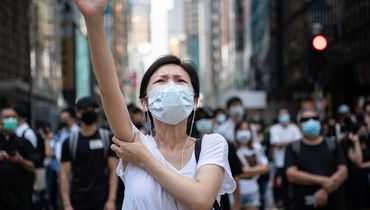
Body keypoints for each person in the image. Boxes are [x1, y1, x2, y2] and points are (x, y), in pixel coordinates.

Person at [73, 1, 235, 210]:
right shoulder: (133, 141)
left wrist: (144, 159)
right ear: (145, 102)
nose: (170, 86)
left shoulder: (211, 145)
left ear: (195, 101)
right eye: (160, 81)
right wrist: (94, 21)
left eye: (180, 81)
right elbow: (108, 88)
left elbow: (200, 199)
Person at [60, 96, 118, 210]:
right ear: (78, 113)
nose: (90, 112)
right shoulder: (69, 142)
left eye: (93, 109)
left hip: (102, 201)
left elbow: (113, 171)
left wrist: (111, 200)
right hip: (77, 201)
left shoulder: (106, 138)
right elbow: (64, 174)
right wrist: (67, 205)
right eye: (86, 110)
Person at [284, 109, 348, 210]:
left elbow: (343, 171)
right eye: (306, 119)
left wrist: (325, 190)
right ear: (298, 124)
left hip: (334, 202)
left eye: (315, 118)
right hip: (302, 203)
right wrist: (322, 180)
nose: (311, 122)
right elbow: (291, 174)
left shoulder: (332, 144)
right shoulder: (293, 147)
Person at [0, 107, 38, 210]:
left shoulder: (24, 143)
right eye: (7, 117)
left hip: (20, 197)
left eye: (13, 117)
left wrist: (20, 160)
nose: (10, 120)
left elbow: (33, 167)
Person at [46, 107, 79, 210]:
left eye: (66, 119)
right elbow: (54, 150)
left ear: (73, 118)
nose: (63, 122)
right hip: (58, 170)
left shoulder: (77, 133)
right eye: (62, 120)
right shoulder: (61, 132)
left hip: (72, 171)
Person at [269, 108, 302, 208]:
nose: (284, 116)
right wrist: (291, 142)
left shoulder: (294, 128)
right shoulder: (274, 129)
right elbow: (277, 144)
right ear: (278, 116)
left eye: (285, 114)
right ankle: (283, 204)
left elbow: (299, 144)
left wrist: (284, 143)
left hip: (295, 163)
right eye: (281, 114)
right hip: (280, 163)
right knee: (282, 187)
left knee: (294, 186)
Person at [234, 121, 269, 210]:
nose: (243, 132)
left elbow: (265, 168)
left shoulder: (256, 147)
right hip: (234, 192)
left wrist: (245, 171)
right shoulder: (232, 148)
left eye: (246, 129)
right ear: (236, 131)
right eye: (241, 129)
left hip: (253, 190)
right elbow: (232, 173)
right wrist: (256, 170)